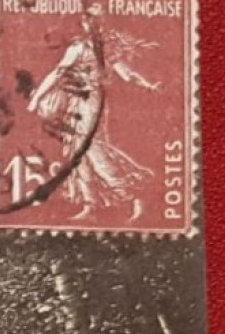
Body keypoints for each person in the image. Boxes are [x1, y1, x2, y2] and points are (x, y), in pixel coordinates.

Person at [28, 17, 161, 221]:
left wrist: (148, 84)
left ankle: (131, 195)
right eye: (90, 25)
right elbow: (57, 73)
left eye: (97, 24)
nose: (94, 28)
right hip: (76, 103)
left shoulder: (106, 50)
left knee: (93, 149)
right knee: (76, 151)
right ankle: (90, 204)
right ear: (84, 27)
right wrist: (37, 97)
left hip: (93, 102)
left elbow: (126, 74)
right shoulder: (78, 48)